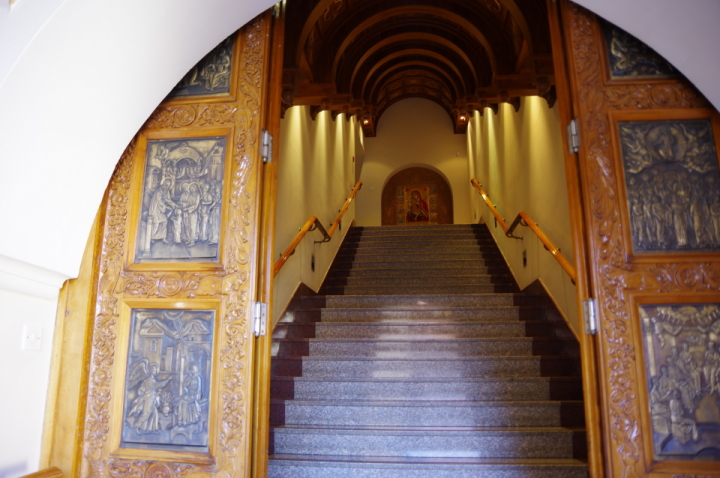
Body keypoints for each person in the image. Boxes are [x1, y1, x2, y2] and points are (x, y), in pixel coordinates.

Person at [127, 363, 172, 434]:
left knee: (154, 414)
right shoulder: (150, 380)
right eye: (153, 370)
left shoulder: (151, 379)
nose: (155, 371)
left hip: (152, 398)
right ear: (150, 371)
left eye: (155, 370)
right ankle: (136, 427)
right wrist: (167, 380)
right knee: (145, 414)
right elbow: (158, 385)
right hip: (148, 399)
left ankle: (153, 429)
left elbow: (153, 388)